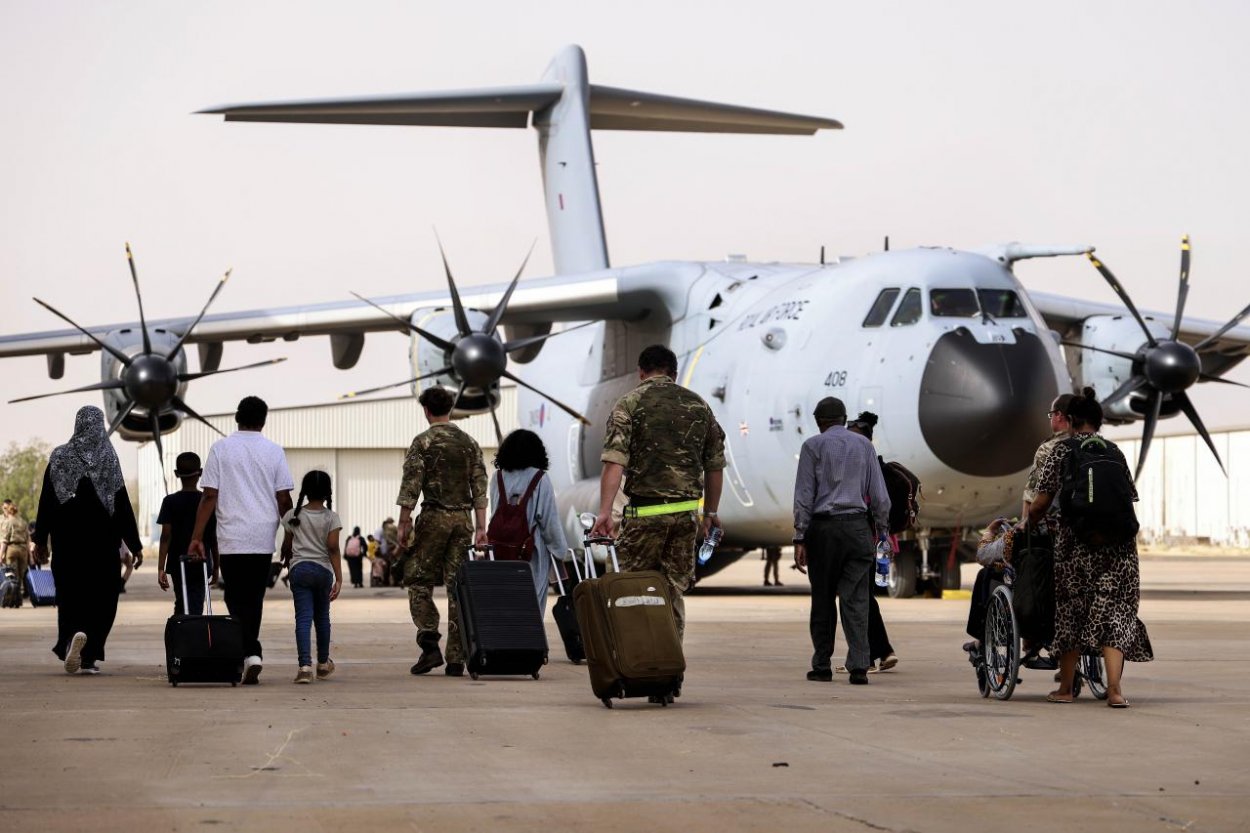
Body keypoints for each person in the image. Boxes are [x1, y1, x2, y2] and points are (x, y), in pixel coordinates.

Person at [1023, 387, 1153, 707]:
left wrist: (1028, 524)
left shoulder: (1061, 451)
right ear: (1099, 422)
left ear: (1070, 421)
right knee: (1115, 613)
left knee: (1071, 612)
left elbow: (1042, 500)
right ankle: (1115, 690)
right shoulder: (1114, 451)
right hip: (1119, 547)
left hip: (1075, 545)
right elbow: (1129, 496)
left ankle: (1066, 689)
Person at [591, 344, 726, 646]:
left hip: (643, 517)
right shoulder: (699, 406)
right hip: (684, 517)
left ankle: (637, 661)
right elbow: (715, 467)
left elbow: (614, 462)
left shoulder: (629, 403)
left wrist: (604, 512)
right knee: (672, 591)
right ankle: (670, 667)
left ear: (641, 372)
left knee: (627, 588)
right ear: (674, 374)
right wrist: (711, 514)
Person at [189, 396, 294, 686]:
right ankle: (250, 653)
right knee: (254, 598)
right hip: (262, 537)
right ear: (263, 420)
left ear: (237, 417)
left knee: (235, 598)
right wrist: (290, 535)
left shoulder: (221, 450)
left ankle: (248, 652)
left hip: (232, 537)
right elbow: (284, 499)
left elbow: (209, 496)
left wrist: (197, 537)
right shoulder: (274, 452)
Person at [32, 406, 143, 675]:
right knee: (103, 599)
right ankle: (89, 655)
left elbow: (46, 502)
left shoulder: (59, 457)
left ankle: (72, 638)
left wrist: (40, 541)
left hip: (67, 546)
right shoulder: (107, 457)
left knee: (71, 597)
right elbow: (121, 504)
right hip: (102, 547)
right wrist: (134, 543)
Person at [792, 397, 890, 686]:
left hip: (823, 532)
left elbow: (804, 496)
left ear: (820, 422)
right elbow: (880, 497)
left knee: (822, 598)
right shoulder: (864, 446)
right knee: (857, 600)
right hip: (858, 529)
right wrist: (882, 531)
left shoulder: (812, 446)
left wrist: (800, 536)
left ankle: (821, 665)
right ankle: (859, 665)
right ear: (843, 418)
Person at [395, 387, 488, 677]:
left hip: (434, 518)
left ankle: (429, 642)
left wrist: (404, 522)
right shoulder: (469, 443)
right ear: (450, 408)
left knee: (417, 579)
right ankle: (456, 657)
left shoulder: (423, 442)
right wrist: (482, 527)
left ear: (426, 410)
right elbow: (480, 487)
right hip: (463, 519)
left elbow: (411, 484)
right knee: (456, 587)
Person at [488, 429, 568, 615]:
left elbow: (496, 513)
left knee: (504, 607)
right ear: (537, 452)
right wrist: (561, 551)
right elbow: (549, 522)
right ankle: (527, 642)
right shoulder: (540, 479)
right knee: (529, 610)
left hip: (501, 554)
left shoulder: (497, 477)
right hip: (531, 555)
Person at [844, 411, 899, 673]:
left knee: (860, 597)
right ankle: (863, 653)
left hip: (867, 541)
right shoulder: (872, 463)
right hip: (874, 541)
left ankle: (878, 652)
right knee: (859, 596)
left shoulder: (865, 467)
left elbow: (878, 504)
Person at [279, 470, 342, 684]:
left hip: (300, 570)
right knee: (322, 618)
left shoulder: (292, 516)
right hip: (323, 572)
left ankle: (304, 667)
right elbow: (333, 548)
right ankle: (323, 665)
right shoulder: (331, 517)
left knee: (303, 618)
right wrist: (339, 579)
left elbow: (287, 547)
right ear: (328, 493)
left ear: (304, 492)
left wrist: (287, 560)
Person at [157, 452, 219, 615]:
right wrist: (217, 567)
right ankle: (193, 634)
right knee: (197, 602)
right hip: (202, 561)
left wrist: (160, 568)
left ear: (176, 474)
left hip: (178, 562)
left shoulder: (169, 502)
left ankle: (182, 632)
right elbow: (213, 539)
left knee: (182, 599)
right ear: (200, 472)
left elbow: (165, 537)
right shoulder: (207, 502)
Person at [1, 500, 32, 601]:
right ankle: (18, 597)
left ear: (9, 512)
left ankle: (14, 598)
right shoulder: (23, 522)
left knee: (12, 574)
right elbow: (28, 540)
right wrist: (30, 556)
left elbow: (5, 540)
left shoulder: (8, 522)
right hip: (23, 550)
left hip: (12, 549)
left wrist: (1, 554)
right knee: (21, 575)